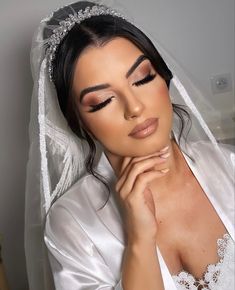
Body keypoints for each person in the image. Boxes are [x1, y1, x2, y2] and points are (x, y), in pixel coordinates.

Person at [24, 1, 235, 290]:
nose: (134, 107)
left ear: (164, 76)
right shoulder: (72, 225)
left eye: (143, 78)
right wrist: (139, 240)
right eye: (102, 101)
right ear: (77, 121)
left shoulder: (228, 166)